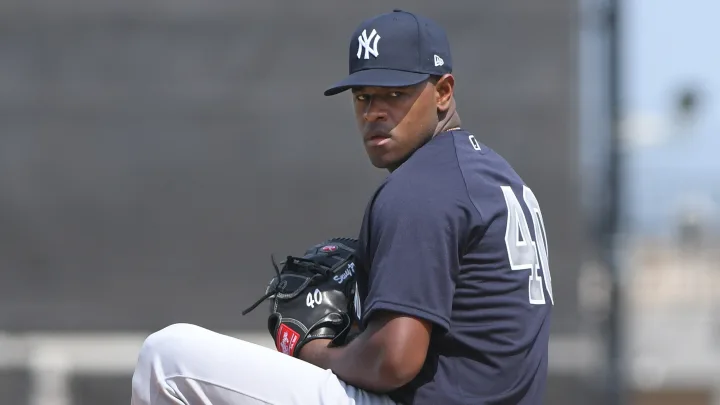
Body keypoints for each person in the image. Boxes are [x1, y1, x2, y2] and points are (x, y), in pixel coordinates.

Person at [130, 9, 554, 405]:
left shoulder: (421, 188)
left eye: (394, 93)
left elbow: (395, 360)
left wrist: (314, 353)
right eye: (363, 97)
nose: (374, 113)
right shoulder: (495, 175)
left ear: (443, 92)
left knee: (167, 358)